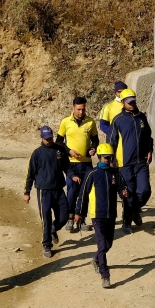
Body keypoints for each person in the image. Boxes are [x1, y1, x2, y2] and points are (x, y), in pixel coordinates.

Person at [75, 144, 130, 289]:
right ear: (99, 157)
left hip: (111, 214)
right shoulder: (92, 174)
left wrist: (124, 192)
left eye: (109, 157)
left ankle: (96, 258)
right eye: (105, 157)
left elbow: (122, 188)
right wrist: (79, 213)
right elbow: (83, 195)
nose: (107, 160)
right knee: (101, 243)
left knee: (108, 244)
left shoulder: (115, 174)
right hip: (97, 215)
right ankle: (105, 275)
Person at [109, 89, 153, 234]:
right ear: (122, 103)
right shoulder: (118, 120)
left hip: (141, 162)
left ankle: (134, 211)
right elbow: (111, 142)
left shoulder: (141, 118)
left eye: (133, 101)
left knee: (145, 191)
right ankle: (126, 223)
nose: (132, 104)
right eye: (129, 102)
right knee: (129, 193)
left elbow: (148, 137)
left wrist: (149, 150)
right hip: (124, 164)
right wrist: (111, 161)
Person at [24, 126, 69, 258]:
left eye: (50, 137)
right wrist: (27, 192)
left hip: (59, 189)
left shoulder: (59, 150)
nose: (49, 140)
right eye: (46, 138)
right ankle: (47, 245)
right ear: (41, 138)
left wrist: (72, 175)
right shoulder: (37, 154)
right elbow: (30, 174)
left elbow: (67, 167)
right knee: (46, 218)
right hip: (44, 191)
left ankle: (53, 229)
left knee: (64, 216)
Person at [57, 96, 99, 232]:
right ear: (73, 108)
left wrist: (94, 148)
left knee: (85, 191)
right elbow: (58, 142)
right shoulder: (65, 122)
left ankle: (81, 219)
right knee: (72, 191)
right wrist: (69, 151)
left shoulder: (90, 122)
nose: (81, 112)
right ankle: (70, 217)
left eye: (83, 109)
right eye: (79, 109)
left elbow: (95, 140)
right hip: (71, 164)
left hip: (86, 164)